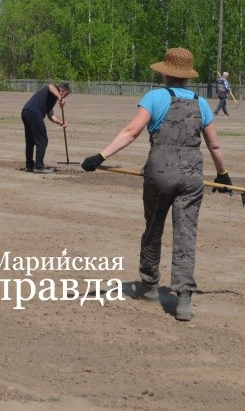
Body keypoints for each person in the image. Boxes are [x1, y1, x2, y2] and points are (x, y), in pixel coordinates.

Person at [81, 47, 232, 322]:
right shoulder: (201, 103)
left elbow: (131, 131)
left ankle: (150, 285)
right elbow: (214, 144)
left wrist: (101, 156)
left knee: (153, 228)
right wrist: (223, 174)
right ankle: (184, 299)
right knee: (186, 234)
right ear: (187, 76)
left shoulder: (154, 97)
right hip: (192, 176)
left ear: (165, 73)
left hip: (159, 173)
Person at [20, 82, 71, 173]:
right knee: (42, 140)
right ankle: (38, 166)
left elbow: (50, 115)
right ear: (63, 91)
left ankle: (29, 165)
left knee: (30, 141)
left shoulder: (52, 98)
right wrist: (59, 98)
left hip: (26, 112)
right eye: (65, 95)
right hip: (33, 112)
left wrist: (61, 122)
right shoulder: (53, 89)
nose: (64, 97)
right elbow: (50, 86)